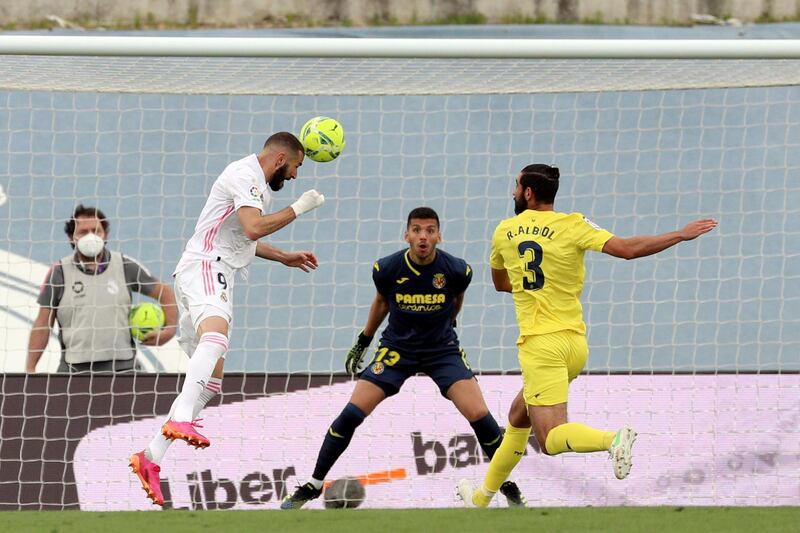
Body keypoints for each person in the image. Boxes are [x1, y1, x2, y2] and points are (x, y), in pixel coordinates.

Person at [457, 164, 718, 507]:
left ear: (528, 193)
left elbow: (500, 283)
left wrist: (530, 287)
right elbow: (627, 249)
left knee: (550, 439)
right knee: (518, 415)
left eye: (516, 187)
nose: (513, 192)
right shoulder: (574, 224)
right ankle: (481, 498)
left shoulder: (505, 231)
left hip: (541, 345)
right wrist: (680, 234)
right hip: (575, 345)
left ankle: (613, 440)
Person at [281, 207, 527, 510]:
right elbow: (382, 301)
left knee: (479, 415)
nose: (423, 237)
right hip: (397, 350)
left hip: (442, 351)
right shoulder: (386, 269)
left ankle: (507, 484)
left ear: (439, 235)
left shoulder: (456, 270)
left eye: (429, 230)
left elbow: (455, 300)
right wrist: (363, 341)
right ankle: (313, 484)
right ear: (406, 234)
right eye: (417, 230)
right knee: (351, 414)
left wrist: (448, 328)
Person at [128, 132, 325, 506]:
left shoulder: (257, 187)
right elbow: (252, 227)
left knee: (211, 382)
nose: (297, 176)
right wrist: (300, 208)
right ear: (281, 157)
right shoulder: (244, 174)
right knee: (215, 339)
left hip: (214, 271)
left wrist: (283, 256)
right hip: (205, 267)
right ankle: (180, 417)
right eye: (298, 166)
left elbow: (242, 237)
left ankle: (150, 457)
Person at [27, 204, 177, 373]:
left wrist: (170, 330)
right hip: (73, 372)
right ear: (71, 237)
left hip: (125, 371)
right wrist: (30, 368)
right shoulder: (59, 272)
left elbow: (165, 292)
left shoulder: (125, 265)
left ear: (105, 234)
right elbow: (42, 323)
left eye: (96, 230)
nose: (90, 237)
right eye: (83, 232)